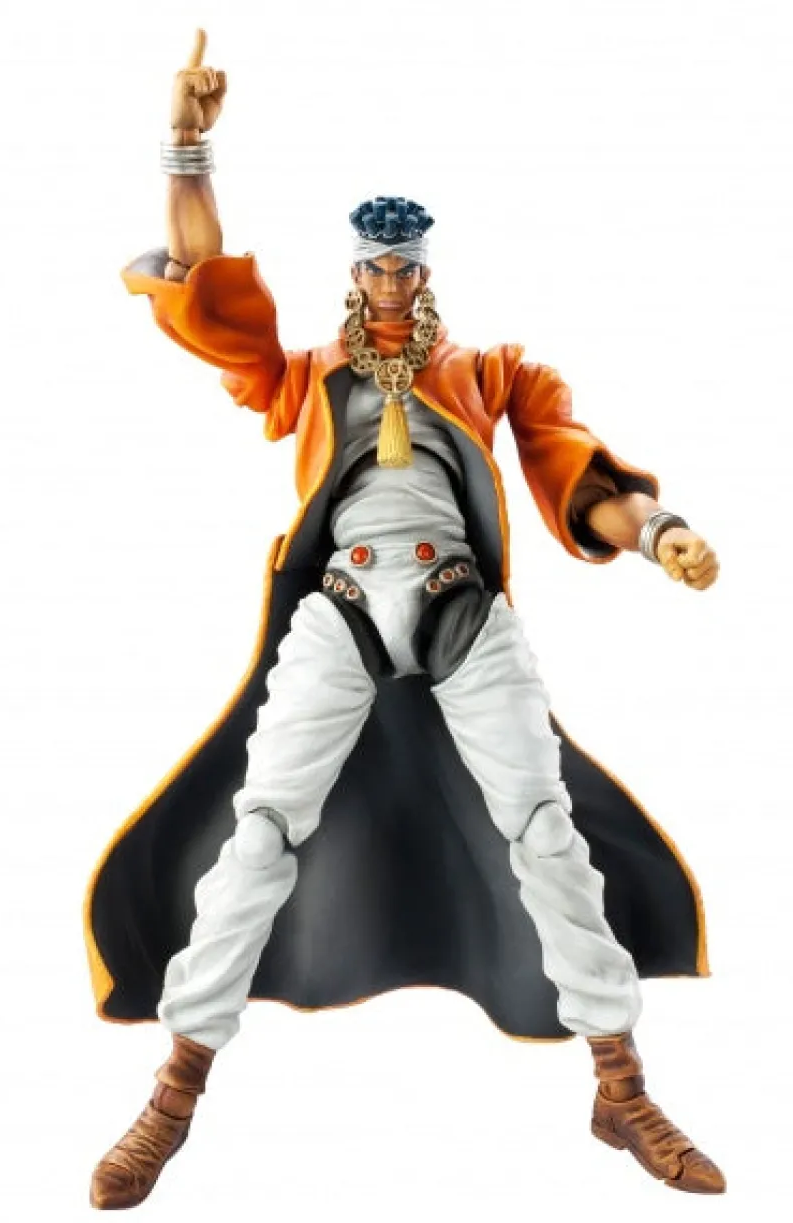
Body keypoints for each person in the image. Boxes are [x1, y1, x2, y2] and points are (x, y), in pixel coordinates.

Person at [86, 29, 725, 1210]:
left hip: (460, 608)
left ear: (424, 274)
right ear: (357, 272)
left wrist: (657, 531)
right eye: (375, 267)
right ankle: (175, 1087)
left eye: (405, 267)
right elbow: (211, 296)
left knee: (544, 829)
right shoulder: (310, 372)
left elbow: (576, 467)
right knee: (261, 828)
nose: (390, 282)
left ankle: (618, 1081)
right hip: (340, 606)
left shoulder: (488, 372)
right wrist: (186, 148)